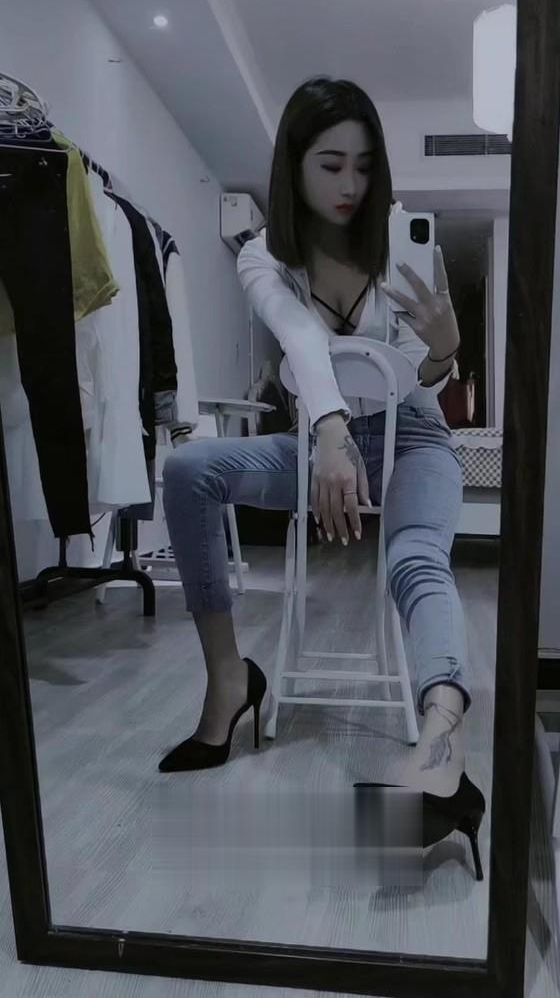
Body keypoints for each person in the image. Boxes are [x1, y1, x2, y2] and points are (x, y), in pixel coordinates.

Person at [158, 77, 481, 833]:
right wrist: (331, 433)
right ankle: (229, 680)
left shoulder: (402, 244)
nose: (350, 186)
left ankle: (443, 747)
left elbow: (421, 376)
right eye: (331, 165)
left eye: (364, 166)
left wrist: (445, 351)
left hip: (413, 435)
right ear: (293, 167)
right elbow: (298, 335)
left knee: (415, 558)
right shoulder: (263, 258)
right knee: (187, 469)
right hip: (319, 441)